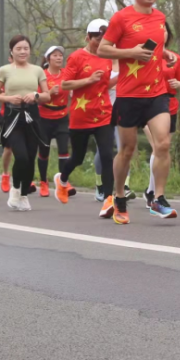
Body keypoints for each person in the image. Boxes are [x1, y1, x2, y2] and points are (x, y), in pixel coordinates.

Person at [98, 0, 177, 224]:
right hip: (129, 95)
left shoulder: (160, 17)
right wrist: (130, 52)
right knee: (127, 150)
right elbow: (103, 49)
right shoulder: (121, 18)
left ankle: (158, 198)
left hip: (156, 92)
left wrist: (164, 55)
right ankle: (119, 196)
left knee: (163, 144)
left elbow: (155, 44)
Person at [54, 19, 116, 215]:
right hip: (81, 116)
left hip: (104, 114)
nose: (101, 42)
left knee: (107, 155)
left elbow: (104, 85)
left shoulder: (108, 56)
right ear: (87, 37)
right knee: (78, 158)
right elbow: (64, 85)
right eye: (97, 38)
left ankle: (108, 199)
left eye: (105, 39)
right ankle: (62, 179)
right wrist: (88, 80)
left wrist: (125, 76)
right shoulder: (76, 57)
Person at [0, 36, 51, 211]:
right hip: (12, 116)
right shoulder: (4, 70)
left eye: (25, 48)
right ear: (11, 51)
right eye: (18, 48)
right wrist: (8, 98)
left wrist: (36, 96)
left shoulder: (37, 70)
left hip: (32, 116)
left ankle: (23, 195)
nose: (23, 52)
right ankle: (15, 189)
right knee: (21, 156)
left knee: (30, 158)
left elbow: (47, 95)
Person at [144, 21, 180, 208]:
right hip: (149, 103)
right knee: (157, 147)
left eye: (165, 31)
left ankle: (151, 191)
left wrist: (178, 84)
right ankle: (154, 193)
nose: (162, 33)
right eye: (158, 30)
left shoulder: (175, 58)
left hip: (170, 105)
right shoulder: (145, 54)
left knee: (163, 149)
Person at [36, 45, 71, 198]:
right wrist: (48, 93)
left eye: (60, 55)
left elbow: (73, 88)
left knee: (64, 151)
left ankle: (63, 182)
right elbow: (36, 98)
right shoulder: (42, 75)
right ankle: (43, 182)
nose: (59, 58)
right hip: (44, 117)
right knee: (44, 151)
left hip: (62, 117)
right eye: (55, 55)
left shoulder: (66, 74)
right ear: (48, 58)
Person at [92, 60, 121, 201]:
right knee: (103, 152)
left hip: (123, 111)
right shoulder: (101, 64)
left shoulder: (126, 62)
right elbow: (103, 86)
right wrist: (122, 77)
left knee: (124, 150)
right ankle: (99, 184)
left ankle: (123, 187)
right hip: (104, 112)